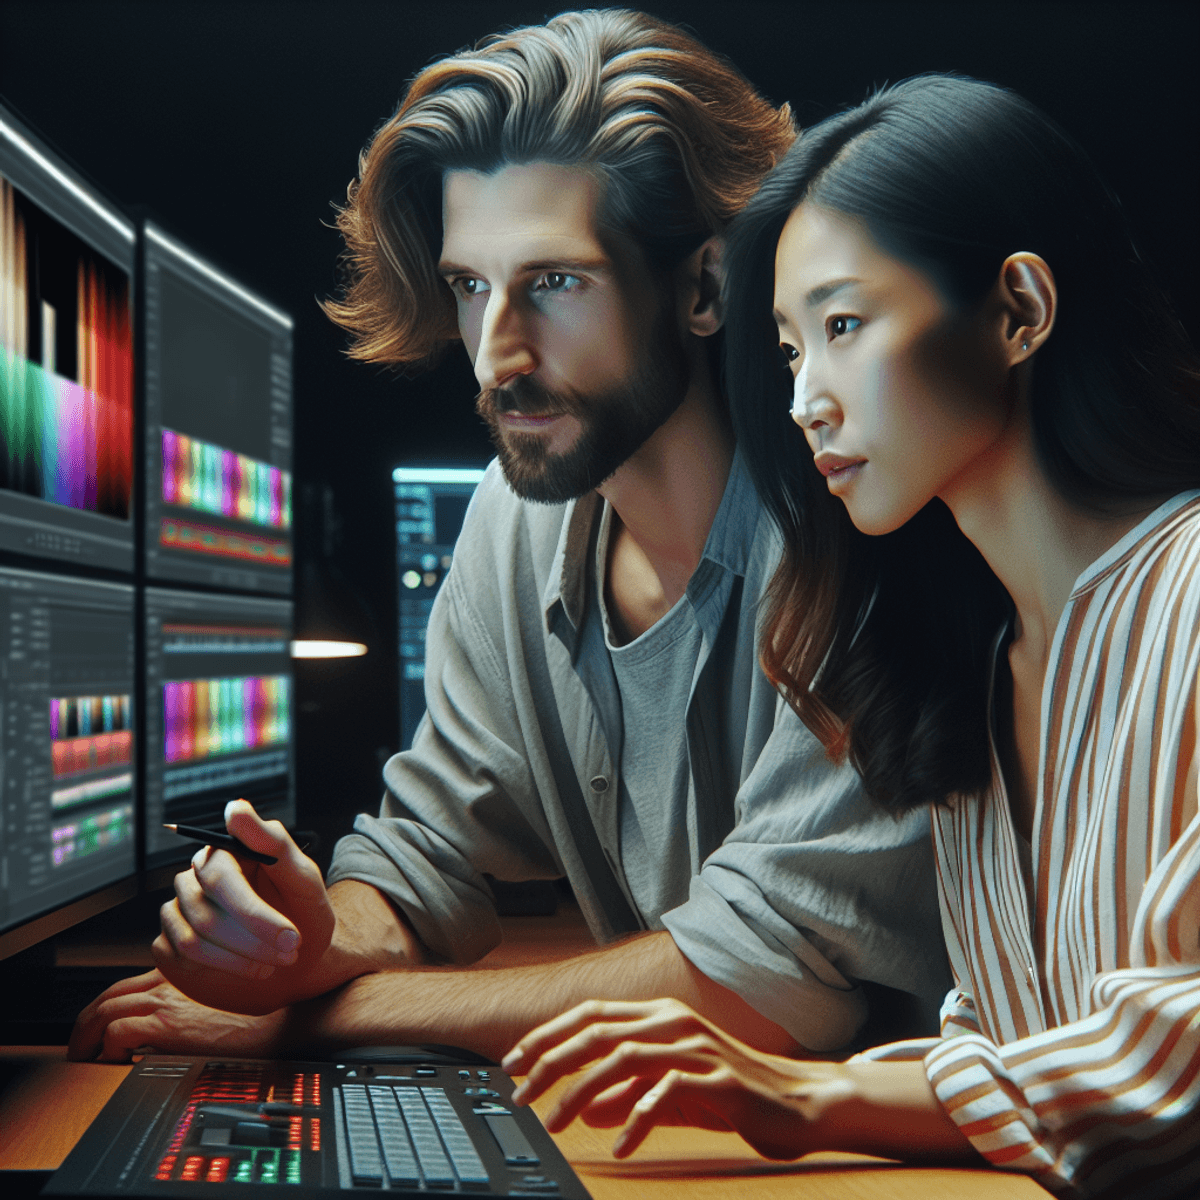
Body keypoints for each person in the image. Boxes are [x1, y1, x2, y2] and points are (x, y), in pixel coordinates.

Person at [70, 11, 950, 1066]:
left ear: (707, 287)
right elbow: (427, 854)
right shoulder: (513, 522)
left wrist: (318, 1018)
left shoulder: (862, 524)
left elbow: (774, 986)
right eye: (470, 286)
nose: (495, 354)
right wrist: (309, 941)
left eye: (556, 283)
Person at [504, 74, 1200, 1199]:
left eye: (841, 325)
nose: (804, 402)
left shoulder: (1190, 599)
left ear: (1018, 310)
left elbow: (1180, 1052)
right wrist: (778, 1094)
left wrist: (806, 1097)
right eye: (788, 352)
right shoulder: (975, 666)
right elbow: (1001, 1040)